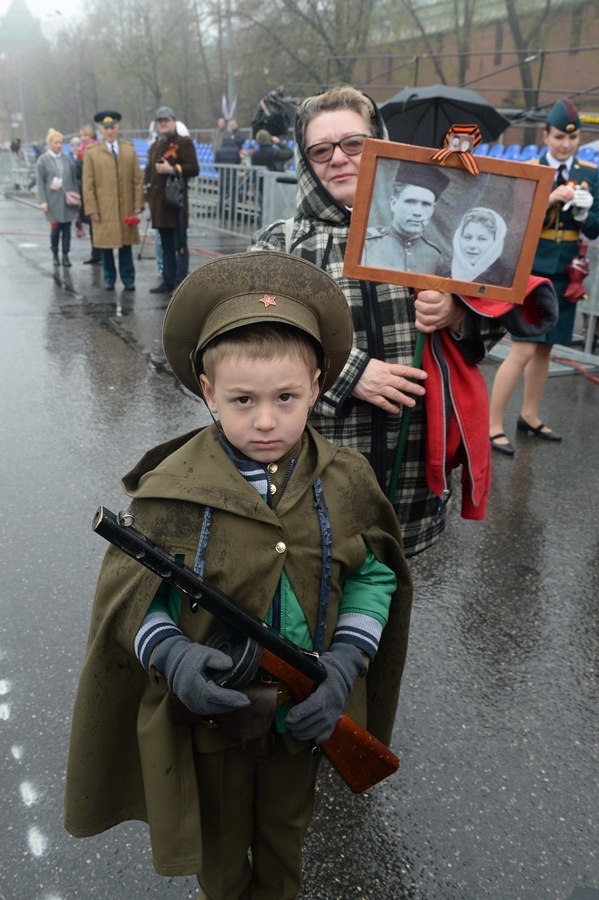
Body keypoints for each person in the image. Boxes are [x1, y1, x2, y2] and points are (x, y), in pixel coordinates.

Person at [64, 250, 413, 898]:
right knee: (221, 859)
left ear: (316, 383)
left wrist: (342, 663)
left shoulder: (348, 481)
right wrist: (169, 655)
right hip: (211, 724)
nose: (264, 420)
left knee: (285, 845)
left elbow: (374, 577)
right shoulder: (173, 486)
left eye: (286, 398)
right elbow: (132, 593)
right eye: (242, 399)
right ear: (206, 392)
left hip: (303, 720)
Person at [250, 85, 539, 556]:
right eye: (321, 150)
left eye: (354, 144)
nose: (338, 159)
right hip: (317, 469)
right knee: (308, 607)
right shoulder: (282, 243)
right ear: (306, 161)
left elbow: (488, 326)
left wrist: (456, 313)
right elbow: (255, 341)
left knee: (386, 604)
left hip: (409, 478)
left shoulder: (433, 239)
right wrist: (349, 374)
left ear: (379, 145)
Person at [488, 98, 599, 455]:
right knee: (522, 348)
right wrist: (548, 199)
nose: (566, 144)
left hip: (566, 268)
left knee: (546, 349)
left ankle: (530, 415)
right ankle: (491, 426)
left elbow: (595, 230)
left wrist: (584, 217)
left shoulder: (589, 173)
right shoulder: (532, 169)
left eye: (573, 137)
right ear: (546, 136)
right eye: (558, 137)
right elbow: (514, 224)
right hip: (532, 268)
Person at [82, 110, 144, 291]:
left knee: (125, 245)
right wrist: (92, 208)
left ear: (118, 128)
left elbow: (137, 179)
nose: (109, 131)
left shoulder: (128, 150)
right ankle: (109, 278)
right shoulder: (92, 153)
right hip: (104, 207)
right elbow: (88, 184)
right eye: (106, 128)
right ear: (100, 130)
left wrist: (138, 203)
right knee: (106, 245)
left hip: (125, 207)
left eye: (113, 127)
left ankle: (128, 278)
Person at [145, 106, 199, 295]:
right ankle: (167, 281)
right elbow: (149, 172)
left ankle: (181, 282)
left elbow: (194, 168)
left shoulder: (183, 142)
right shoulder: (155, 145)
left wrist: (173, 169)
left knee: (180, 245)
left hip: (176, 203)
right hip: (159, 204)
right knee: (166, 246)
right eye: (160, 121)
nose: (163, 123)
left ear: (173, 121)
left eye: (166, 120)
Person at [362, 163, 449, 274]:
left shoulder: (435, 256)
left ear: (433, 209)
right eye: (410, 202)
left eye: (426, 204)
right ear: (393, 203)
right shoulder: (366, 244)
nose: (417, 212)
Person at [36, 127, 79, 267]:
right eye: (56, 142)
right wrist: (43, 201)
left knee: (67, 228)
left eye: (61, 142)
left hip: (67, 200)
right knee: (55, 230)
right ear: (49, 143)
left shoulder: (67, 158)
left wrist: (76, 196)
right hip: (52, 201)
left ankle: (66, 255)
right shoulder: (43, 160)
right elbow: (40, 182)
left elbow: (73, 178)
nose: (59, 145)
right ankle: (55, 254)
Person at [451, 207, 507, 284]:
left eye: (482, 239)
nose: (472, 245)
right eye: (467, 237)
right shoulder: (446, 276)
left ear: (495, 244)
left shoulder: (509, 281)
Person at [77, 123, 102, 265]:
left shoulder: (93, 150)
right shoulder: (81, 151)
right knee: (92, 225)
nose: (82, 138)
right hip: (84, 191)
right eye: (81, 135)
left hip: (94, 192)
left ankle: (99, 252)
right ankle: (95, 252)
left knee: (97, 225)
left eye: (85, 135)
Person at [214, 133, 241, 223]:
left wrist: (221, 171)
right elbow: (238, 162)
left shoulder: (219, 151)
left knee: (222, 197)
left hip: (223, 177)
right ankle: (233, 216)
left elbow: (216, 165)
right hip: (233, 177)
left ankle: (221, 215)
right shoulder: (235, 150)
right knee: (233, 198)